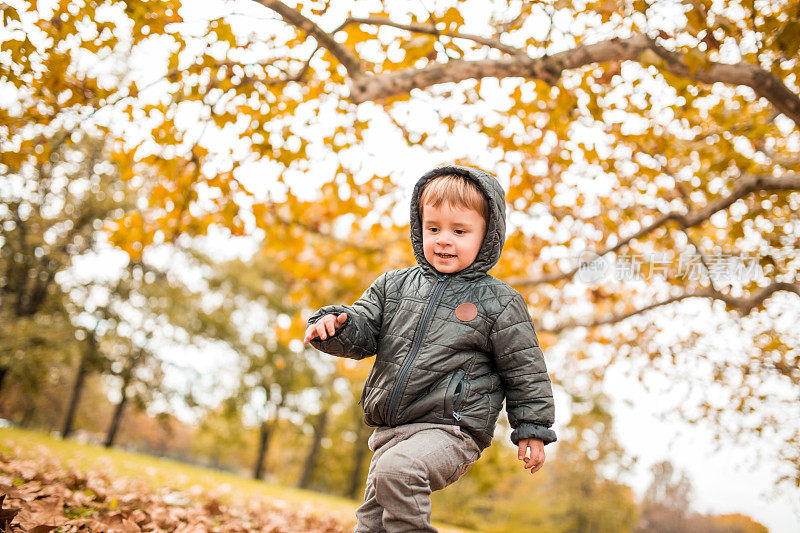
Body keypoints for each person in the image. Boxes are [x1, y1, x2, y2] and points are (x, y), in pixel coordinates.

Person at [303, 165, 556, 532]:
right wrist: (335, 325)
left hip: (450, 431)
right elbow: (362, 329)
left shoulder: (499, 302)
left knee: (398, 472)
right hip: (390, 430)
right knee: (371, 523)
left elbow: (525, 369)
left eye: (459, 231)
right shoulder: (394, 285)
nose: (443, 240)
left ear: (487, 236)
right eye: (433, 228)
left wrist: (532, 427)